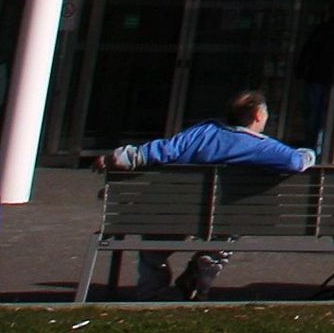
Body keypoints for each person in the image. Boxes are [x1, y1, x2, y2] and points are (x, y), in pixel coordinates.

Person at [99, 90, 309, 297]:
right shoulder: (261, 147)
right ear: (258, 116)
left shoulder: (204, 130)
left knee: (153, 248)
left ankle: (151, 292)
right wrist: (309, 154)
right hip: (222, 218)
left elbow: (166, 149)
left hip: (173, 211)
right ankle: (200, 279)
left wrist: (122, 157)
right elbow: (295, 161)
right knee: (228, 230)